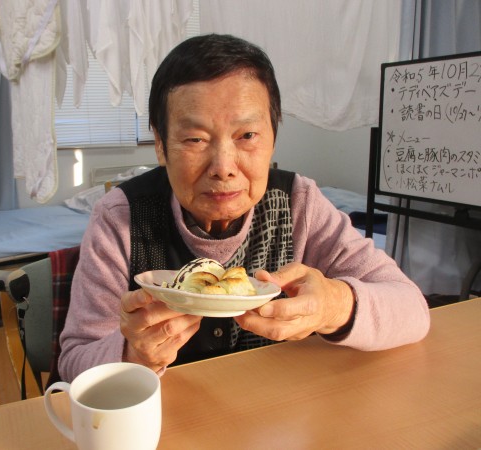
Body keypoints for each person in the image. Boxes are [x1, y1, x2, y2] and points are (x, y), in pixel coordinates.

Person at [58, 34, 430, 380]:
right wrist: (133, 354)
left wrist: (334, 306)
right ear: (160, 144)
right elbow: (75, 359)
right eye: (195, 139)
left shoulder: (299, 203)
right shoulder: (120, 217)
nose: (223, 167)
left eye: (247, 135)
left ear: (273, 137)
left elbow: (412, 308)